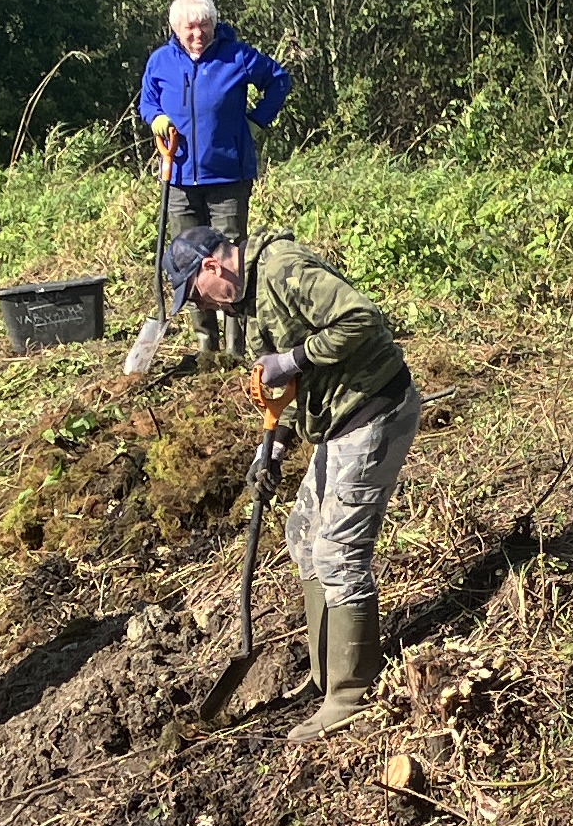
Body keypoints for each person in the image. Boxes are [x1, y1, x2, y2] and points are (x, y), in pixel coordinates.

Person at [174, 226, 412, 742]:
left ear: (213, 268)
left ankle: (351, 694)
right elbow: (286, 387)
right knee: (303, 536)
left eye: (197, 293)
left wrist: (295, 357)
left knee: (337, 551)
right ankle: (324, 675)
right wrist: (275, 446)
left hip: (373, 409)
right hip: (333, 421)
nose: (205, 307)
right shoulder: (250, 300)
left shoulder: (281, 268)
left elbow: (360, 318)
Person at [138, 0, 292, 356]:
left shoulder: (236, 56)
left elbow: (278, 79)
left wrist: (257, 122)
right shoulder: (161, 62)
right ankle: (206, 343)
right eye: (190, 28)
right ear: (176, 28)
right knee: (188, 262)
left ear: (213, 24)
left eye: (204, 25)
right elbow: (148, 100)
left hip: (228, 177)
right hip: (178, 177)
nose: (197, 34)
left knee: (230, 260)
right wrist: (156, 117)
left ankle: (236, 347)